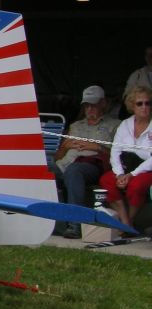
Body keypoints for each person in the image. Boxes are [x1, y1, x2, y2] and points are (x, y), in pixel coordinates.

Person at [52, 85, 119, 238]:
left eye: (93, 105)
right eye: (86, 105)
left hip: (91, 165)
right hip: (64, 165)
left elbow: (120, 156)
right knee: (41, 168)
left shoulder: (115, 125)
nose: (89, 109)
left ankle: (75, 226)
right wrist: (64, 147)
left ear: (103, 103)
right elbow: (57, 158)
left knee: (74, 171)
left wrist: (98, 147)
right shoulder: (75, 126)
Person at [98, 85, 152, 229]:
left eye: (148, 103)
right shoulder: (125, 124)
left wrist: (132, 174)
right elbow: (115, 150)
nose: (144, 107)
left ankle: (129, 221)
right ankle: (125, 221)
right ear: (132, 106)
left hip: (146, 169)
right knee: (106, 180)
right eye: (139, 104)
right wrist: (120, 174)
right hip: (125, 167)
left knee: (136, 185)